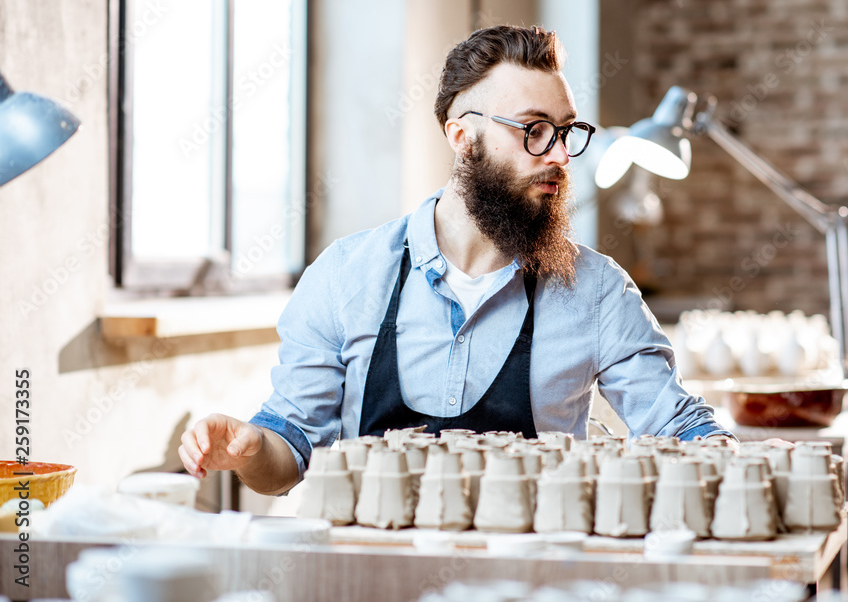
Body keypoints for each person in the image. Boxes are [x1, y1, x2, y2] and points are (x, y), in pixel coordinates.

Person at [179, 25, 732, 495]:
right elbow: (288, 453)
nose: (562, 156)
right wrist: (251, 450)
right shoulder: (347, 275)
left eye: (566, 133)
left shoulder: (597, 291)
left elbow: (677, 424)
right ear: (463, 136)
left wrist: (727, 455)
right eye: (535, 131)